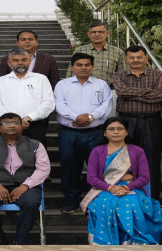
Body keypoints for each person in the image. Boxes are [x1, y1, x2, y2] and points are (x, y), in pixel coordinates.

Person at [82, 117, 162, 245]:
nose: (116, 132)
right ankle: (103, 243)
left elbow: (144, 177)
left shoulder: (137, 151)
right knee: (104, 203)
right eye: (111, 129)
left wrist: (127, 188)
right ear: (105, 133)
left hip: (131, 188)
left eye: (120, 129)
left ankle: (132, 243)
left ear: (126, 132)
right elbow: (91, 178)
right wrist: (111, 188)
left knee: (133, 203)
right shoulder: (97, 151)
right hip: (104, 188)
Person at [0, 113, 49, 245]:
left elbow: (43, 169)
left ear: (22, 126)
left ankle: (19, 242)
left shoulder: (36, 145)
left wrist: (25, 185)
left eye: (15, 123)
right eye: (6, 123)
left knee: (31, 203)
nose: (11, 126)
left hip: (26, 185)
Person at [55, 53, 113, 213]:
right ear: (72, 66)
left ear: (92, 67)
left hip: (95, 132)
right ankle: (71, 201)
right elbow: (59, 105)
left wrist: (89, 117)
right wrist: (76, 117)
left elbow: (106, 106)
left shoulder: (101, 85)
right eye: (79, 65)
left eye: (87, 64)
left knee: (98, 168)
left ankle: (96, 201)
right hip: (69, 133)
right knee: (69, 167)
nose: (83, 68)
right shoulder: (62, 85)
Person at [112, 45, 162, 199]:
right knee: (124, 160)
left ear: (146, 58)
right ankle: (127, 196)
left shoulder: (159, 75)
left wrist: (132, 94)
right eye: (132, 57)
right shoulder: (118, 75)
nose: (136, 60)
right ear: (126, 59)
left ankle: (152, 197)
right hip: (126, 122)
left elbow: (161, 95)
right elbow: (121, 91)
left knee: (152, 160)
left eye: (139, 57)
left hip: (151, 122)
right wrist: (148, 92)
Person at [0, 49, 55, 145]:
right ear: (9, 63)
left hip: (34, 126)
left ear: (29, 61)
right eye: (16, 60)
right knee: (7, 157)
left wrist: (28, 118)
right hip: (8, 126)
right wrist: (13, 122)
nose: (20, 63)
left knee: (35, 157)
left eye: (24, 60)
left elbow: (48, 103)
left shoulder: (41, 79)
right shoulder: (0, 81)